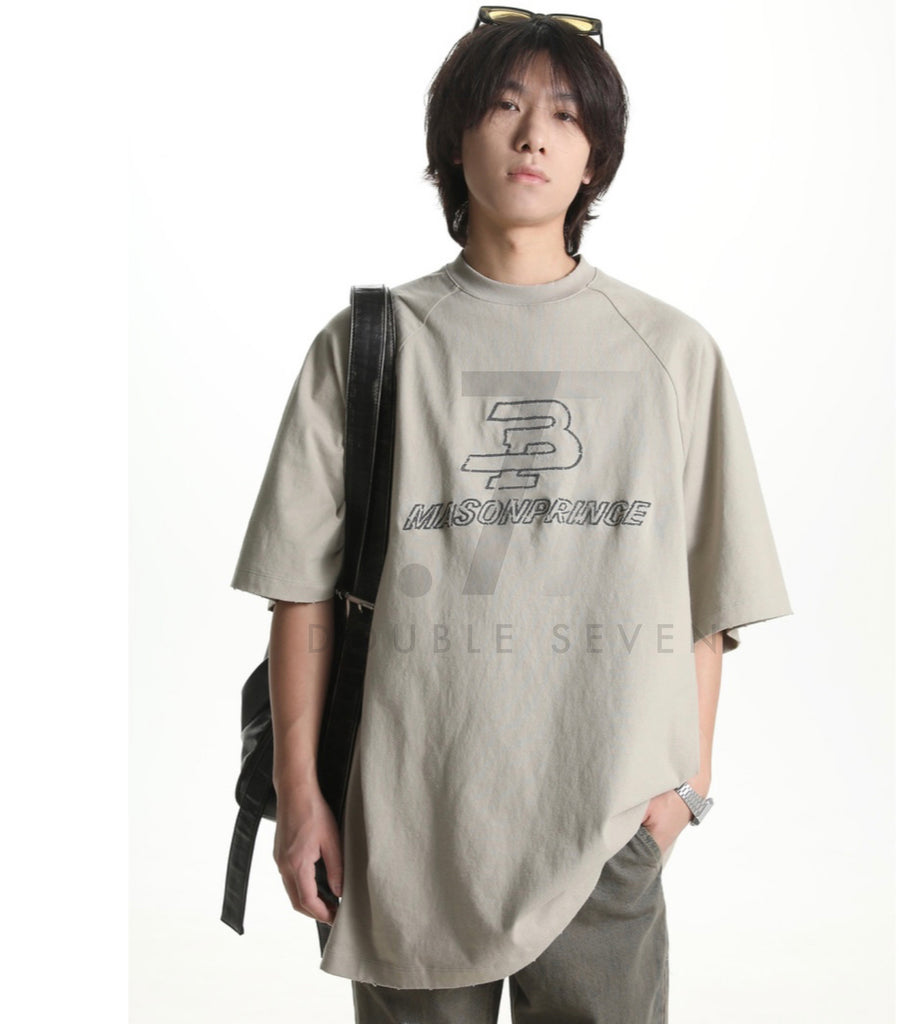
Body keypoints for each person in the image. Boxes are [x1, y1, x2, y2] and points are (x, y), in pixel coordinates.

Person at [230, 8, 792, 1022]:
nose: (535, 135)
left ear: (594, 159)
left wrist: (678, 797)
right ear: (455, 139)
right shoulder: (368, 346)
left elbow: (708, 605)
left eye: (567, 115)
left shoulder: (672, 352)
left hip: (607, 829)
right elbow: (300, 596)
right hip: (405, 830)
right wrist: (303, 798)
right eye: (504, 106)